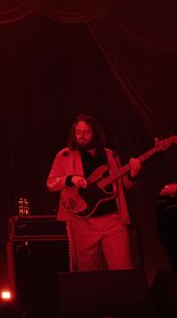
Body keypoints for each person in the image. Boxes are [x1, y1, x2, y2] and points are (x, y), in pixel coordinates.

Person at [46, 114, 140, 272]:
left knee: (123, 267)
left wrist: (133, 174)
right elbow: (51, 183)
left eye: (86, 132)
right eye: (78, 132)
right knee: (88, 272)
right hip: (83, 222)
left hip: (113, 220)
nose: (81, 136)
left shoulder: (110, 155)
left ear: (95, 133)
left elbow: (124, 185)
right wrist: (70, 179)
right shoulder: (65, 156)